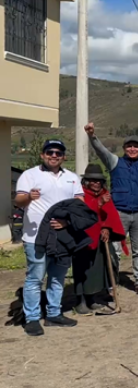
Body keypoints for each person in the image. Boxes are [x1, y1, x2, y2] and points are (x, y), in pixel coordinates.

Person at [85, 122, 138, 295]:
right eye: (129, 146)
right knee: (114, 251)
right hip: (119, 214)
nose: (132, 149)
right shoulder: (115, 162)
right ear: (124, 148)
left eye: (136, 146)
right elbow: (101, 151)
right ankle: (111, 283)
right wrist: (92, 136)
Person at [15, 140, 85, 336]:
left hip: (63, 236)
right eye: (50, 152)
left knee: (57, 277)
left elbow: (79, 204)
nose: (54, 155)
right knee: (35, 278)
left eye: (58, 153)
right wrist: (29, 197)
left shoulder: (71, 177)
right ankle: (32, 318)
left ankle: (54, 314)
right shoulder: (29, 175)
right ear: (42, 155)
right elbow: (18, 201)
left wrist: (67, 222)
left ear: (63, 157)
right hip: (35, 236)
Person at [73, 164, 128, 316]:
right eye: (92, 180)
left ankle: (91, 298)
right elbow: (82, 214)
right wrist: (98, 204)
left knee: (96, 270)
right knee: (82, 268)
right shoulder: (80, 194)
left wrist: (107, 228)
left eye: (98, 181)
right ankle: (80, 301)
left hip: (99, 239)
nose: (96, 183)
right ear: (86, 181)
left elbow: (109, 215)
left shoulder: (105, 194)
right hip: (83, 239)